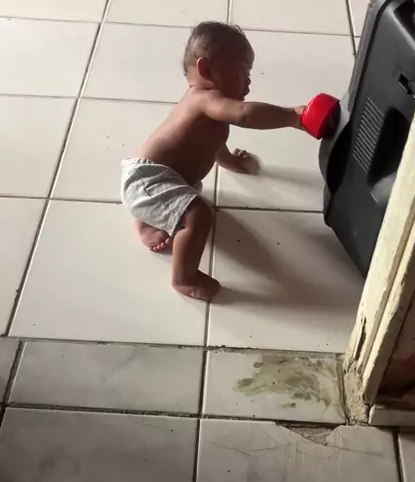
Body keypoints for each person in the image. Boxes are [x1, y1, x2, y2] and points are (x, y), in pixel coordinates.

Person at [121, 22, 305, 301]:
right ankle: (184, 278)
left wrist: (227, 160)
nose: (249, 81)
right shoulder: (203, 99)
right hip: (148, 182)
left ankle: (148, 219)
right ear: (205, 69)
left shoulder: (207, 107)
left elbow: (212, 141)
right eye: (243, 70)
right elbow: (244, 114)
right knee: (199, 215)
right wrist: (293, 116)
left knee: (189, 199)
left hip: (159, 181)